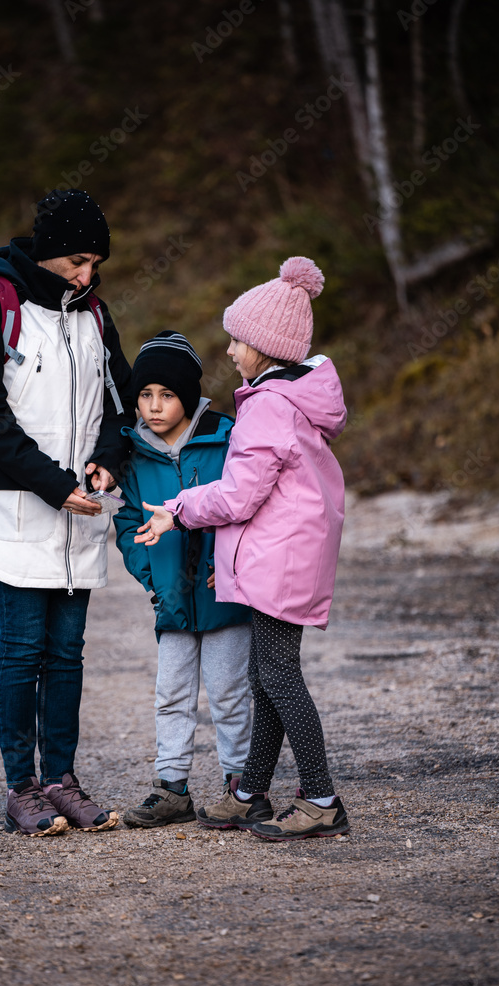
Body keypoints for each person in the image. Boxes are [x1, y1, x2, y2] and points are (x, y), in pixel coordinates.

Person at [134, 257, 351, 841]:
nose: (230, 350)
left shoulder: (269, 406)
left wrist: (178, 509)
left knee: (279, 676)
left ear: (265, 348)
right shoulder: (290, 398)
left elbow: (238, 495)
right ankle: (249, 792)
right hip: (285, 554)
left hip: (281, 559)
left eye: (238, 340)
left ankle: (321, 799)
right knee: (265, 675)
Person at [0, 189, 135, 837]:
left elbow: (120, 404)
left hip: (79, 512)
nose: (87, 275)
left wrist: (108, 460)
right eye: (78, 261)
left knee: (67, 653)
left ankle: (61, 780)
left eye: (96, 264)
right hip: (14, 510)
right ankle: (21, 788)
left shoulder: (96, 316)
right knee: (23, 648)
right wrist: (55, 486)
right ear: (50, 253)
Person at [114, 332, 254, 828]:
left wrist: (233, 563)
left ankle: (241, 786)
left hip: (225, 596)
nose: (154, 406)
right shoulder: (133, 453)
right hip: (170, 598)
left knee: (229, 695)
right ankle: (171, 788)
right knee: (171, 695)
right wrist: (150, 577)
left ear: (189, 396)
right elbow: (127, 523)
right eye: (145, 395)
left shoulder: (227, 439)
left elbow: (245, 503)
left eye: (167, 395)